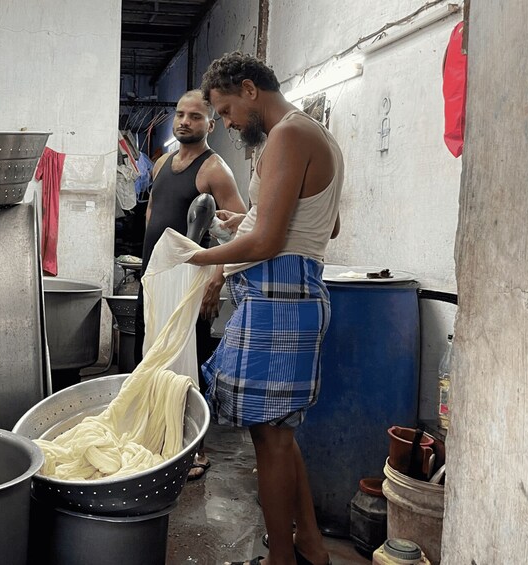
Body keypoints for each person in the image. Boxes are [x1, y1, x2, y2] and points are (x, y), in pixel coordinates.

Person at [189, 52, 343, 565]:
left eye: (227, 110)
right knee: (276, 431)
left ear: (250, 90)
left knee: (270, 440)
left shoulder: (289, 136)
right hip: (288, 290)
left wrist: (198, 255)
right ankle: (310, 545)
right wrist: (247, 220)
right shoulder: (311, 135)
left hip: (281, 291)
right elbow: (325, 225)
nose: (227, 123)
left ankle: (281, 559)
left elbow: (270, 243)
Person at [135, 89, 247, 481]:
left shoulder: (215, 169)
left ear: (210, 125)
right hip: (155, 278)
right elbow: (153, 211)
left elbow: (240, 229)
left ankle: (197, 448)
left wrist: (216, 281)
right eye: (180, 114)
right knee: (150, 356)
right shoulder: (163, 162)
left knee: (186, 367)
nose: (184, 121)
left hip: (189, 282)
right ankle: (156, 438)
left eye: (195, 116)